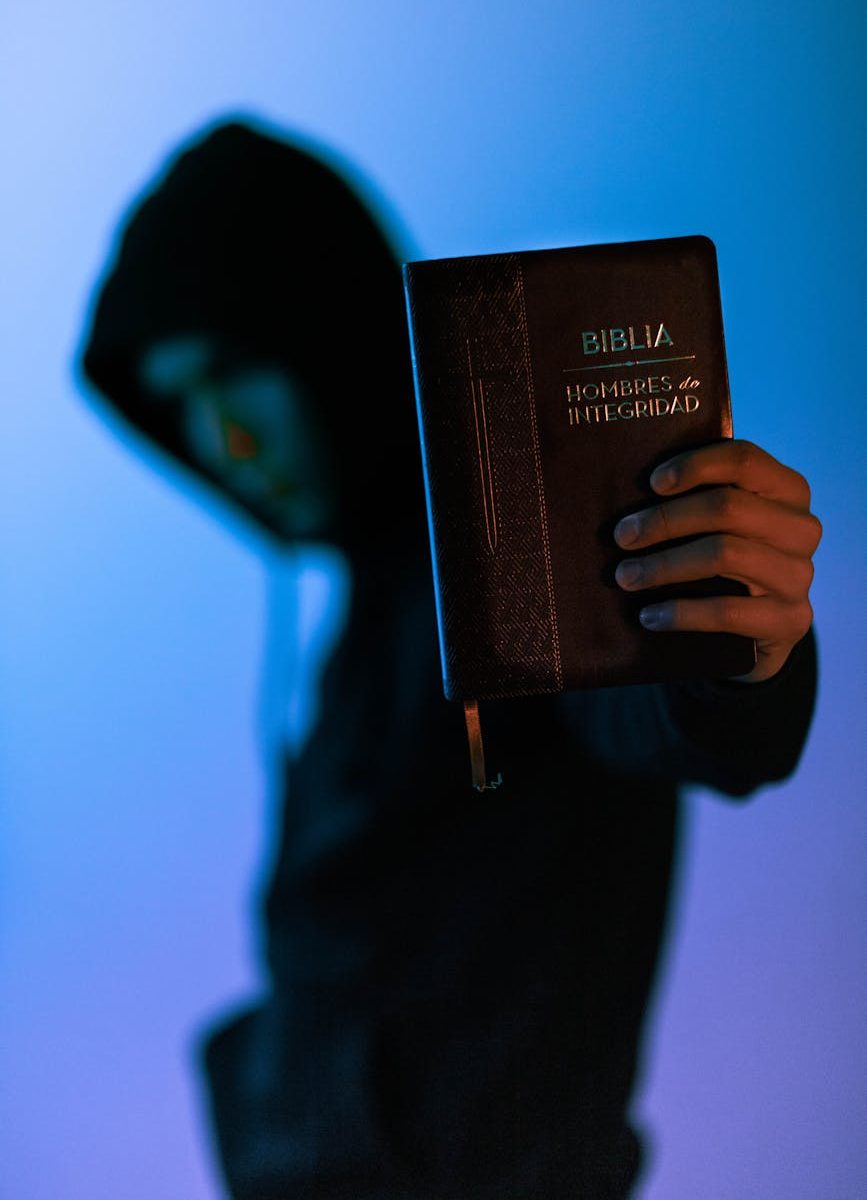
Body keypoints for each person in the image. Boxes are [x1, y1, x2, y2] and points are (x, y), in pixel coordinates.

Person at [80, 118, 820, 1199]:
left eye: (235, 371)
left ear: (327, 333)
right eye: (181, 404)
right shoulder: (368, 609)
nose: (222, 442)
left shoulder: (507, 543)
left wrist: (737, 643)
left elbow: (661, 702)